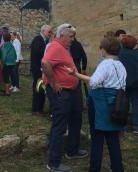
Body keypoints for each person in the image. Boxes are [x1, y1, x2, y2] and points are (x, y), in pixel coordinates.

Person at [68, 36, 126, 172]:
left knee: (97, 140)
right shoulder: (120, 64)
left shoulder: (105, 63)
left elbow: (94, 82)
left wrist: (75, 74)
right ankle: (118, 168)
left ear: (104, 49)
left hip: (101, 106)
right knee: (113, 140)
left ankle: (94, 169)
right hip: (115, 105)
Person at [42, 23, 87, 172]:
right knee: (60, 125)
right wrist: (53, 83)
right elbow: (45, 63)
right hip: (62, 93)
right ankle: (53, 163)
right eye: (71, 36)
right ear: (61, 35)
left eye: (73, 36)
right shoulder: (55, 46)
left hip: (72, 92)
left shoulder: (64, 48)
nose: (73, 39)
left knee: (76, 119)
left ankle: (72, 150)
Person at [119, 35, 138, 134]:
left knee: (123, 104)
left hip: (124, 83)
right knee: (137, 104)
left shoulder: (120, 54)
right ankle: (137, 127)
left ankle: (122, 126)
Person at [30, 24, 53, 117]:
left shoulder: (44, 40)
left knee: (42, 88)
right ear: (44, 31)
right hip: (37, 69)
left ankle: (40, 108)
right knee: (38, 88)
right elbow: (38, 52)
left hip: (42, 69)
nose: (50, 33)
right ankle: (36, 109)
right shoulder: (38, 39)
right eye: (49, 32)